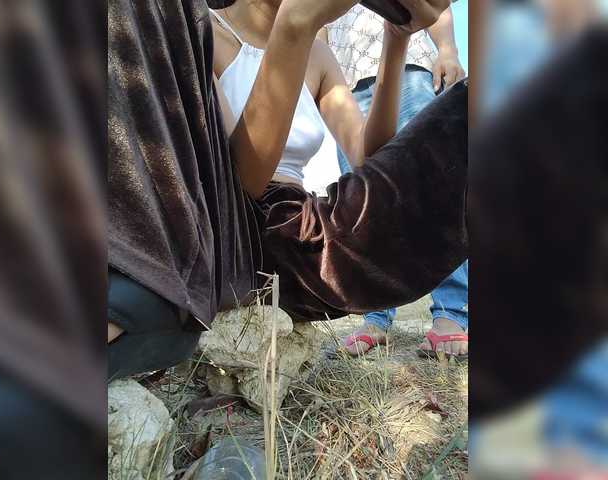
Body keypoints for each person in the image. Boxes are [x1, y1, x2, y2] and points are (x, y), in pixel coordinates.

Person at [108, 0, 467, 379]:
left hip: (300, 230)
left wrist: (396, 39)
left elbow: (370, 159)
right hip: (221, 223)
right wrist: (296, 24)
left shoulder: (319, 55)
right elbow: (244, 179)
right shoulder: (198, 26)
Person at [320, 3, 469, 359]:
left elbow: (434, 6)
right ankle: (375, 316)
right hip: (347, 91)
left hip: (410, 74)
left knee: (431, 191)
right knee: (362, 207)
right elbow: (319, 28)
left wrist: (447, 49)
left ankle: (450, 312)